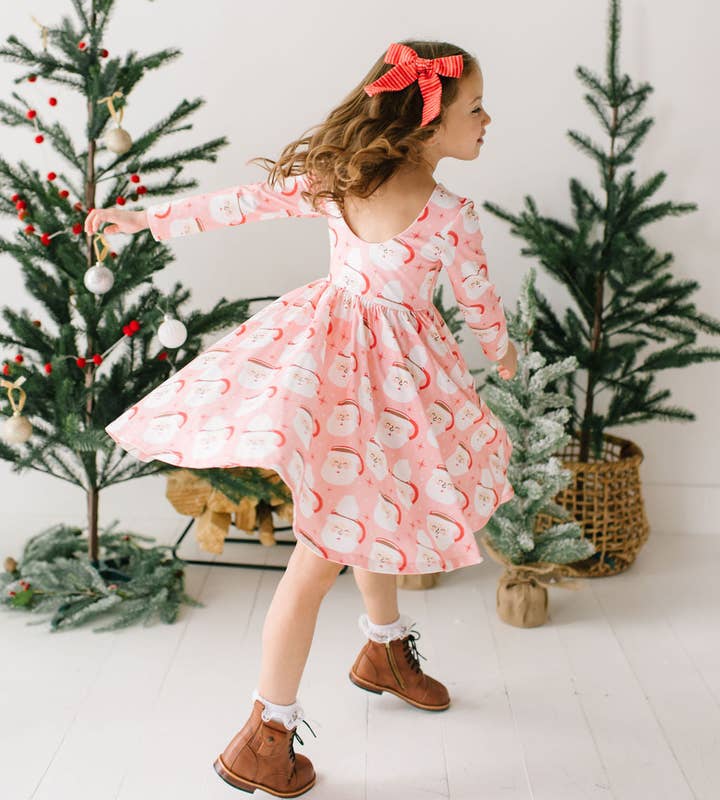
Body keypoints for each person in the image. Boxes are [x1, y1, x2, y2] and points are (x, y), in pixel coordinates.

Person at [84, 39, 518, 797]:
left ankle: (382, 649)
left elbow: (238, 205)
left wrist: (147, 221)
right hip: (346, 386)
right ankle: (266, 733)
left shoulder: (346, 181)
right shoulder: (445, 215)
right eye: (474, 107)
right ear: (428, 123)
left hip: (379, 385)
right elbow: (480, 305)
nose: (488, 119)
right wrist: (503, 356)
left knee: (380, 504)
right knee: (321, 554)